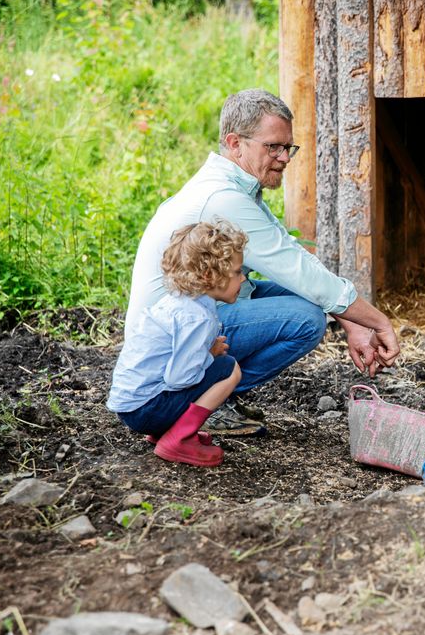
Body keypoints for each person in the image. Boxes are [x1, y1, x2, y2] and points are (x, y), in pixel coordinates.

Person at [125, 88, 400, 435]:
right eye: (273, 147)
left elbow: (293, 258)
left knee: (307, 299)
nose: (284, 158)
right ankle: (203, 402)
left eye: (288, 147)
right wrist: (378, 321)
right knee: (306, 319)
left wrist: (354, 324)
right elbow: (297, 269)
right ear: (235, 143)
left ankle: (213, 393)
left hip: (197, 315)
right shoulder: (223, 198)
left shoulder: (234, 186)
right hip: (175, 338)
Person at [108, 220, 249, 467]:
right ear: (209, 276)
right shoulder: (198, 317)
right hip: (147, 410)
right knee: (229, 368)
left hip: (132, 407)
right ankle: (179, 438)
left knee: (217, 366)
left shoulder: (178, 302)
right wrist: (210, 354)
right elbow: (180, 378)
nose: (244, 278)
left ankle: (167, 430)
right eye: (237, 272)